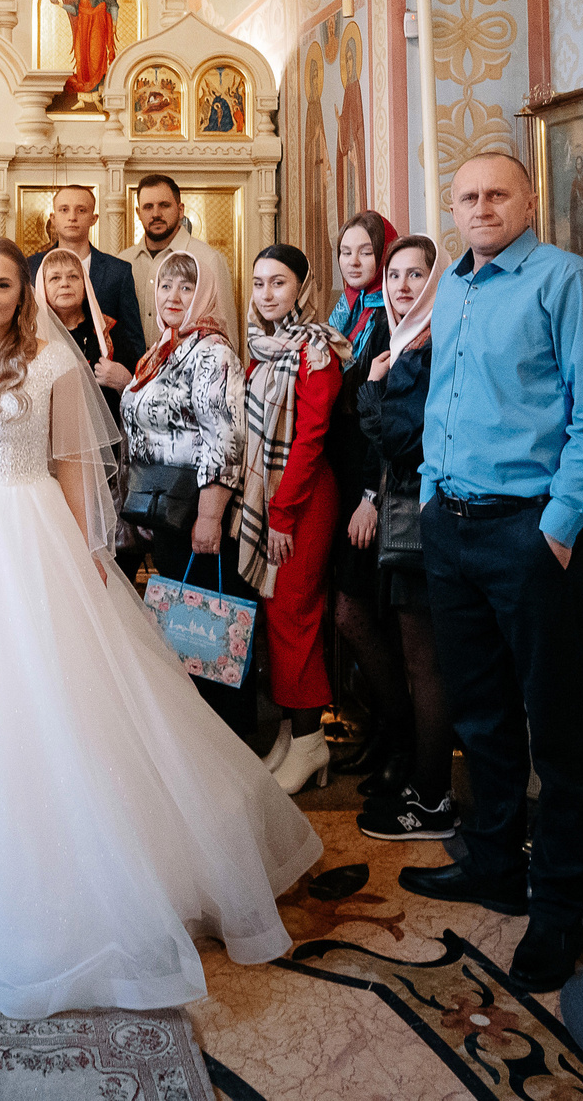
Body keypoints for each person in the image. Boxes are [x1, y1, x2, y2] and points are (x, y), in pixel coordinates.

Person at [0, 237, 321, 1016]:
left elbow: (76, 466)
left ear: (22, 289)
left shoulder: (50, 366)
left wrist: (89, 550)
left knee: (53, 694)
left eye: (3, 282)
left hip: (34, 530)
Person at [399, 152, 583, 996]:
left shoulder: (568, 281)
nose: (482, 206)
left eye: (498, 193)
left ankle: (557, 911)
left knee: (556, 726)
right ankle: (493, 861)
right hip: (451, 528)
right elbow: (441, 400)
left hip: (531, 534)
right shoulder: (451, 287)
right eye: (468, 196)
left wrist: (558, 531)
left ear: (529, 201)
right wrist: (426, 495)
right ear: (451, 209)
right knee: (482, 713)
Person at [117, 250, 251, 734]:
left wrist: (210, 517)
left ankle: (227, 738)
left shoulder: (212, 352)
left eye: (187, 288)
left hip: (200, 509)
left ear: (207, 293)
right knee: (184, 632)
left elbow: (225, 437)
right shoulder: (165, 348)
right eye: (166, 287)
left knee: (207, 628)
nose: (173, 297)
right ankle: (197, 736)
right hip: (168, 510)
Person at [353, 233, 457, 844]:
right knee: (420, 660)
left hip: (421, 519)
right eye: (395, 276)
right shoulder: (402, 343)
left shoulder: (427, 349)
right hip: (405, 514)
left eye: (417, 275)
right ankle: (424, 786)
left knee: (426, 666)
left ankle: (433, 798)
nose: (402, 287)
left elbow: (400, 441)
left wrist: (371, 388)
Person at [239, 244, 346, 797]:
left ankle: (310, 741)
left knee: (294, 613)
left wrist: (280, 514)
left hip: (301, 499)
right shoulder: (264, 347)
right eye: (259, 284)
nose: (266, 294)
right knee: (276, 612)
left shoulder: (316, 348)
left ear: (301, 288)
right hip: (272, 496)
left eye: (278, 283)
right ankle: (289, 733)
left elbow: (310, 437)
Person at [318, 211, 401, 783]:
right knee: (351, 611)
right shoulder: (341, 312)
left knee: (359, 613)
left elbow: (385, 418)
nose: (353, 261)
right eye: (345, 251)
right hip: (339, 474)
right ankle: (380, 731)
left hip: (372, 481)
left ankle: (402, 737)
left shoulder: (391, 319)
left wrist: (371, 495)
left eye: (365, 252)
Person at [27, 183, 146, 362]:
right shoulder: (31, 267)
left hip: (102, 379)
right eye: (64, 210)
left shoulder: (118, 271)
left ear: (94, 218)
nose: (72, 217)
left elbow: (133, 339)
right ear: (53, 217)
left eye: (81, 210)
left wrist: (127, 379)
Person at [127, 173, 236, 335]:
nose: (156, 214)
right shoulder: (124, 261)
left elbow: (225, 331)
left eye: (164, 205)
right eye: (148, 207)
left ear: (180, 210)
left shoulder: (207, 259)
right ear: (138, 213)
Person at [34, 252, 130, 427]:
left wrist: (125, 381)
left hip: (104, 437)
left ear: (86, 287)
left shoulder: (110, 330)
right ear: (42, 287)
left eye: (73, 276)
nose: (65, 283)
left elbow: (138, 391)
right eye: (55, 278)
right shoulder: (30, 337)